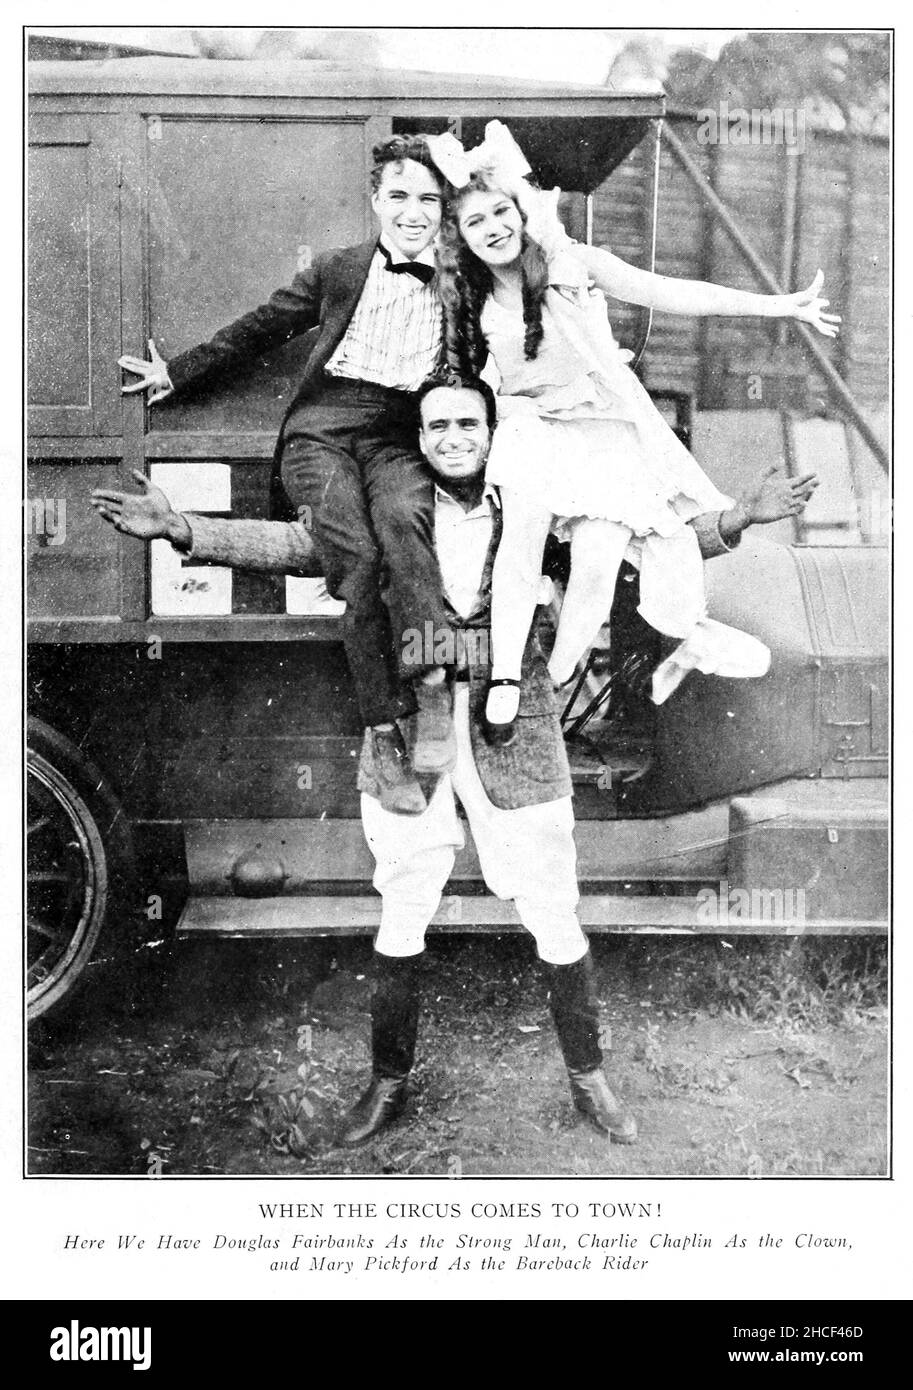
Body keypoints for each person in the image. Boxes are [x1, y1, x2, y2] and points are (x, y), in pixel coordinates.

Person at [92, 375, 817, 1150]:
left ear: (491, 430)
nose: (452, 437)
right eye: (436, 426)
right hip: (409, 725)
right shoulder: (384, 514)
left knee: (550, 903)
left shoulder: (536, 512)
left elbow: (652, 544)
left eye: (467, 422)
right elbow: (299, 548)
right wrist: (183, 531)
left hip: (516, 728)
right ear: (420, 438)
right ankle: (387, 1081)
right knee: (404, 900)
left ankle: (589, 1078)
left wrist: (740, 516)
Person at [429, 122, 840, 742]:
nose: (492, 228)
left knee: (597, 561)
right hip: (530, 425)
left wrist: (777, 305)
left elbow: (670, 292)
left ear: (521, 211)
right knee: (522, 535)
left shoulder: (573, 265)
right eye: (474, 222)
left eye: (499, 211)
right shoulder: (468, 296)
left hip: (603, 431)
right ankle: (507, 678)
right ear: (460, 238)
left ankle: (558, 676)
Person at [118, 134, 456, 816]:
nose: (412, 212)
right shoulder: (339, 269)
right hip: (323, 429)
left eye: (427, 198)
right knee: (354, 560)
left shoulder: (462, 275)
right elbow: (263, 326)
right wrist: (178, 371)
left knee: (405, 526)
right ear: (375, 201)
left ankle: (432, 689)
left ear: (444, 207)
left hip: (400, 434)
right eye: (398, 196)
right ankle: (385, 731)